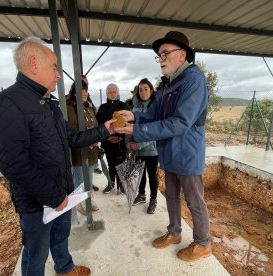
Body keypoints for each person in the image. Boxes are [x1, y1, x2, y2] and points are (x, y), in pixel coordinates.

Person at [0, 36, 114, 276]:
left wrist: (107, 129)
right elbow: (13, 164)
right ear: (34, 63)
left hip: (61, 193)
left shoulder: (48, 103)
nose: (58, 74)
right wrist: (53, 196)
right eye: (54, 66)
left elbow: (72, 139)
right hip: (37, 202)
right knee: (36, 252)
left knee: (60, 237)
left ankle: (64, 268)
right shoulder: (6, 105)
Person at [115, 31, 211, 263]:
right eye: (159, 56)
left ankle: (203, 243)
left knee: (195, 201)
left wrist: (136, 131)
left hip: (187, 154)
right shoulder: (167, 84)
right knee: (171, 197)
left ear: (182, 54)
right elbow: (156, 115)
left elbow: (180, 123)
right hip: (168, 154)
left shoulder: (193, 80)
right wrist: (135, 116)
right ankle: (175, 232)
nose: (161, 59)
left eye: (165, 53)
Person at [66, 80, 99, 214]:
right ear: (74, 92)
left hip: (91, 150)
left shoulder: (88, 106)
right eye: (81, 90)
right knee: (79, 180)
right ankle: (80, 204)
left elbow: (94, 125)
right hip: (79, 150)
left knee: (89, 178)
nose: (84, 93)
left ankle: (88, 200)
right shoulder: (69, 107)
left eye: (86, 90)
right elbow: (71, 128)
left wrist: (96, 138)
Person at [127, 78, 159, 214]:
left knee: (152, 175)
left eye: (146, 89)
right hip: (136, 150)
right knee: (139, 173)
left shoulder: (156, 108)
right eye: (140, 90)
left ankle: (153, 199)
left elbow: (156, 132)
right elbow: (129, 127)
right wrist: (128, 144)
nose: (143, 92)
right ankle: (141, 195)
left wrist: (138, 145)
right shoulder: (134, 107)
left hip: (151, 150)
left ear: (151, 90)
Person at [96, 83, 130, 194]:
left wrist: (121, 136)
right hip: (108, 141)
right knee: (111, 164)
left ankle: (123, 185)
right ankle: (111, 184)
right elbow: (99, 125)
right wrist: (107, 138)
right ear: (106, 94)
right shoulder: (102, 108)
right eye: (110, 92)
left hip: (122, 141)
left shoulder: (124, 106)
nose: (112, 94)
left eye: (114, 92)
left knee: (122, 163)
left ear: (118, 93)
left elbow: (129, 124)